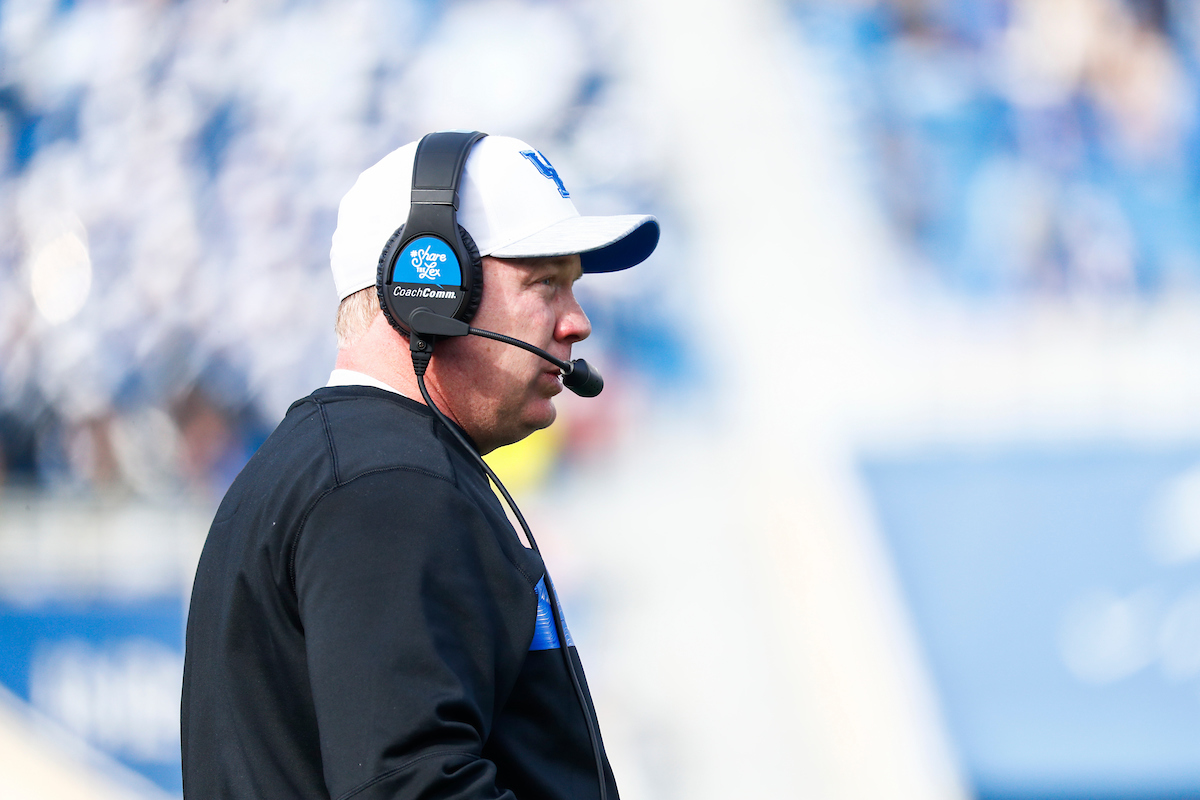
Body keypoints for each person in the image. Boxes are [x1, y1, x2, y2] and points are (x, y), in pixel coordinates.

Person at [180, 133, 659, 800]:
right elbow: (416, 789)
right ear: (429, 287)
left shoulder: (343, 468)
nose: (576, 323)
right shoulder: (388, 487)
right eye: (545, 284)